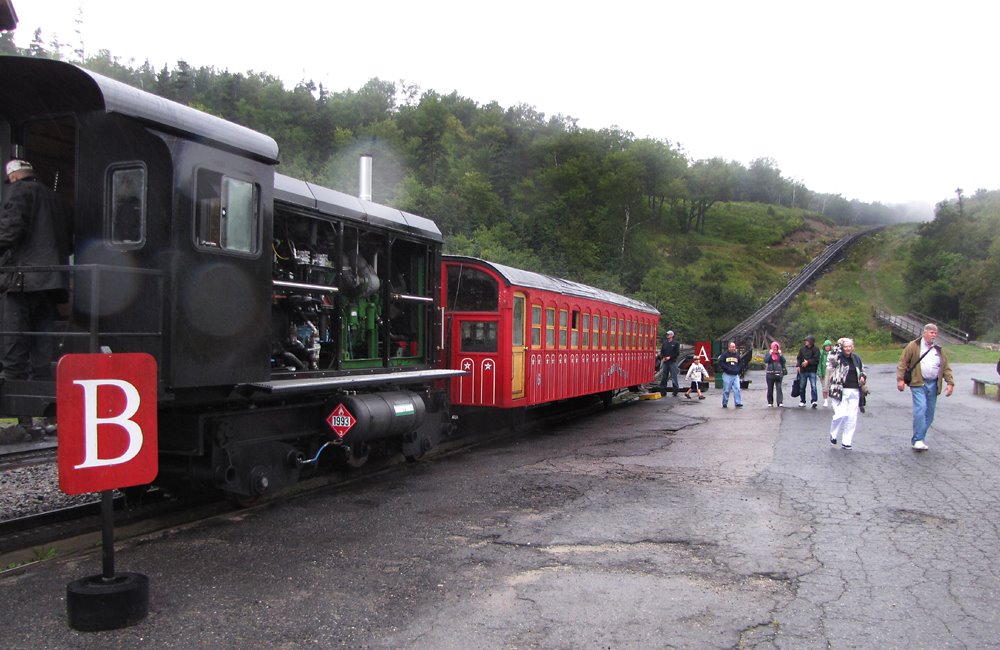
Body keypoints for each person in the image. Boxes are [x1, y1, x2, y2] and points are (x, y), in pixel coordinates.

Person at [0, 159, 71, 439]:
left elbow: (10, 230)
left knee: (14, 349)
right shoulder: (56, 200)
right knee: (43, 352)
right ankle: (47, 418)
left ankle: (24, 421)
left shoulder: (19, 192)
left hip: (23, 281)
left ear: (14, 177)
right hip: (51, 283)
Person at [896, 323, 954, 451]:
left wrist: (950, 383)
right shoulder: (914, 346)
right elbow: (903, 362)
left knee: (929, 414)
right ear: (924, 333)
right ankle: (918, 440)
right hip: (918, 382)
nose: (933, 335)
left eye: (935, 333)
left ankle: (919, 437)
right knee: (921, 409)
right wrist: (900, 380)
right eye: (931, 332)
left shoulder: (938, 349)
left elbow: (946, 368)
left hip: (933, 384)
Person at [827, 338, 866, 449]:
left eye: (850, 346)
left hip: (854, 390)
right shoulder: (838, 358)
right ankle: (833, 433)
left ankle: (847, 441)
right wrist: (838, 344)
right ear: (842, 348)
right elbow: (831, 358)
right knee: (841, 414)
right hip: (840, 391)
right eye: (845, 346)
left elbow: (862, 370)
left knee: (852, 417)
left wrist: (863, 377)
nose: (848, 348)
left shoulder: (856, 358)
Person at [796, 335, 821, 408]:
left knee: (813, 386)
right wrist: (798, 365)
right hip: (803, 370)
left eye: (807, 341)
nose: (805, 342)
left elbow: (816, 360)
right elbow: (799, 358)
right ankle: (802, 401)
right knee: (802, 386)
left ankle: (814, 401)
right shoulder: (802, 349)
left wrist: (808, 362)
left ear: (811, 341)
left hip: (812, 370)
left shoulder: (816, 349)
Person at [718, 340, 743, 408]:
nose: (733, 348)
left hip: (735, 375)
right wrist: (727, 369)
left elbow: (740, 363)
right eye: (732, 347)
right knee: (726, 390)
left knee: (737, 388)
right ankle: (725, 402)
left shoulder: (737, 355)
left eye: (734, 347)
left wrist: (738, 369)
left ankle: (738, 402)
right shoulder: (724, 355)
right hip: (727, 375)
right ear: (729, 348)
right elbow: (721, 363)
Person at [657, 330, 680, 397]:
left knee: (673, 376)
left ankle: (675, 390)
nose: (667, 335)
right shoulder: (665, 343)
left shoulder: (676, 343)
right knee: (664, 376)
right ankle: (662, 390)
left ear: (672, 335)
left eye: (669, 334)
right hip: (666, 362)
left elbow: (677, 353)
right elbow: (662, 351)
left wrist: (670, 357)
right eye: (667, 334)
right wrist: (662, 357)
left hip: (672, 362)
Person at [763, 341, 787, 407]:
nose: (775, 349)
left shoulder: (779, 354)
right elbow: (766, 361)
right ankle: (770, 402)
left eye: (776, 347)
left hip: (778, 373)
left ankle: (780, 402)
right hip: (770, 373)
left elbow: (784, 361)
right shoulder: (768, 353)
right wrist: (770, 354)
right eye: (774, 347)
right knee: (770, 388)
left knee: (779, 388)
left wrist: (781, 355)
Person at [819, 339, 833, 407]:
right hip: (824, 371)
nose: (827, 347)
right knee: (825, 387)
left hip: (832, 372)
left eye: (829, 346)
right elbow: (819, 363)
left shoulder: (833, 353)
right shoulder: (821, 353)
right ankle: (825, 400)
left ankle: (834, 400)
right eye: (826, 346)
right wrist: (819, 372)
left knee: (833, 387)